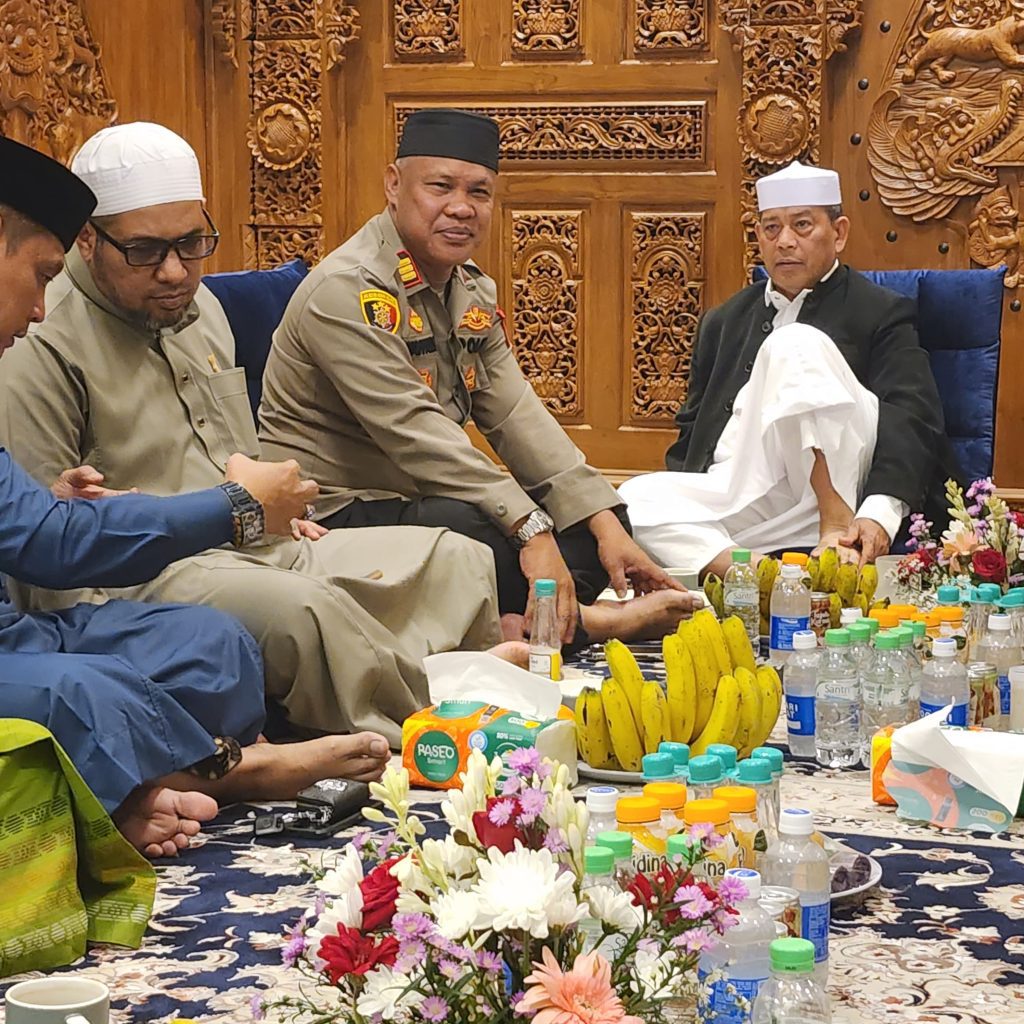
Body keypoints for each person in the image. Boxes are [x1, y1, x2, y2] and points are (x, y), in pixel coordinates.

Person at [0, 122, 506, 759]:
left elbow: (235, 451)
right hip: (143, 570)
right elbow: (42, 549)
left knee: (454, 556)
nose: (175, 271)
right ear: (88, 242)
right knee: (301, 609)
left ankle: (464, 685)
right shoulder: (35, 341)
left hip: (247, 536)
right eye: (146, 251)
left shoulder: (198, 310)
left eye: (192, 242)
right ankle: (428, 733)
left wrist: (275, 511)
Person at [0, 133, 388, 858]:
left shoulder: (196, 316)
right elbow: (48, 545)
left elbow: (29, 519)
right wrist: (238, 508)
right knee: (81, 692)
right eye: (39, 275)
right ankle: (237, 771)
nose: (42, 310)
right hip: (47, 616)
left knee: (210, 645)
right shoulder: (48, 347)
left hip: (16, 632)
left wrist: (48, 494)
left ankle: (168, 776)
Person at [258, 108, 696, 647]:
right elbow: (418, 435)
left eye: (480, 192)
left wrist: (606, 524)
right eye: (440, 187)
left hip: (425, 499)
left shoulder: (469, 290)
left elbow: (517, 417)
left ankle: (523, 623)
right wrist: (530, 529)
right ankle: (587, 623)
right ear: (394, 185)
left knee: (592, 524)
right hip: (336, 510)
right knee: (483, 537)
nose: (461, 208)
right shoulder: (347, 291)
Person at [618, 160, 957, 578]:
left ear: (840, 233)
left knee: (793, 341)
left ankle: (835, 526)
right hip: (753, 495)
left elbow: (912, 414)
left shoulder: (881, 311)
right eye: (772, 228)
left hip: (847, 483)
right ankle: (761, 575)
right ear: (758, 237)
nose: (785, 242)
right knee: (631, 500)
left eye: (802, 225)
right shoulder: (722, 321)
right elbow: (691, 433)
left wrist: (879, 513)